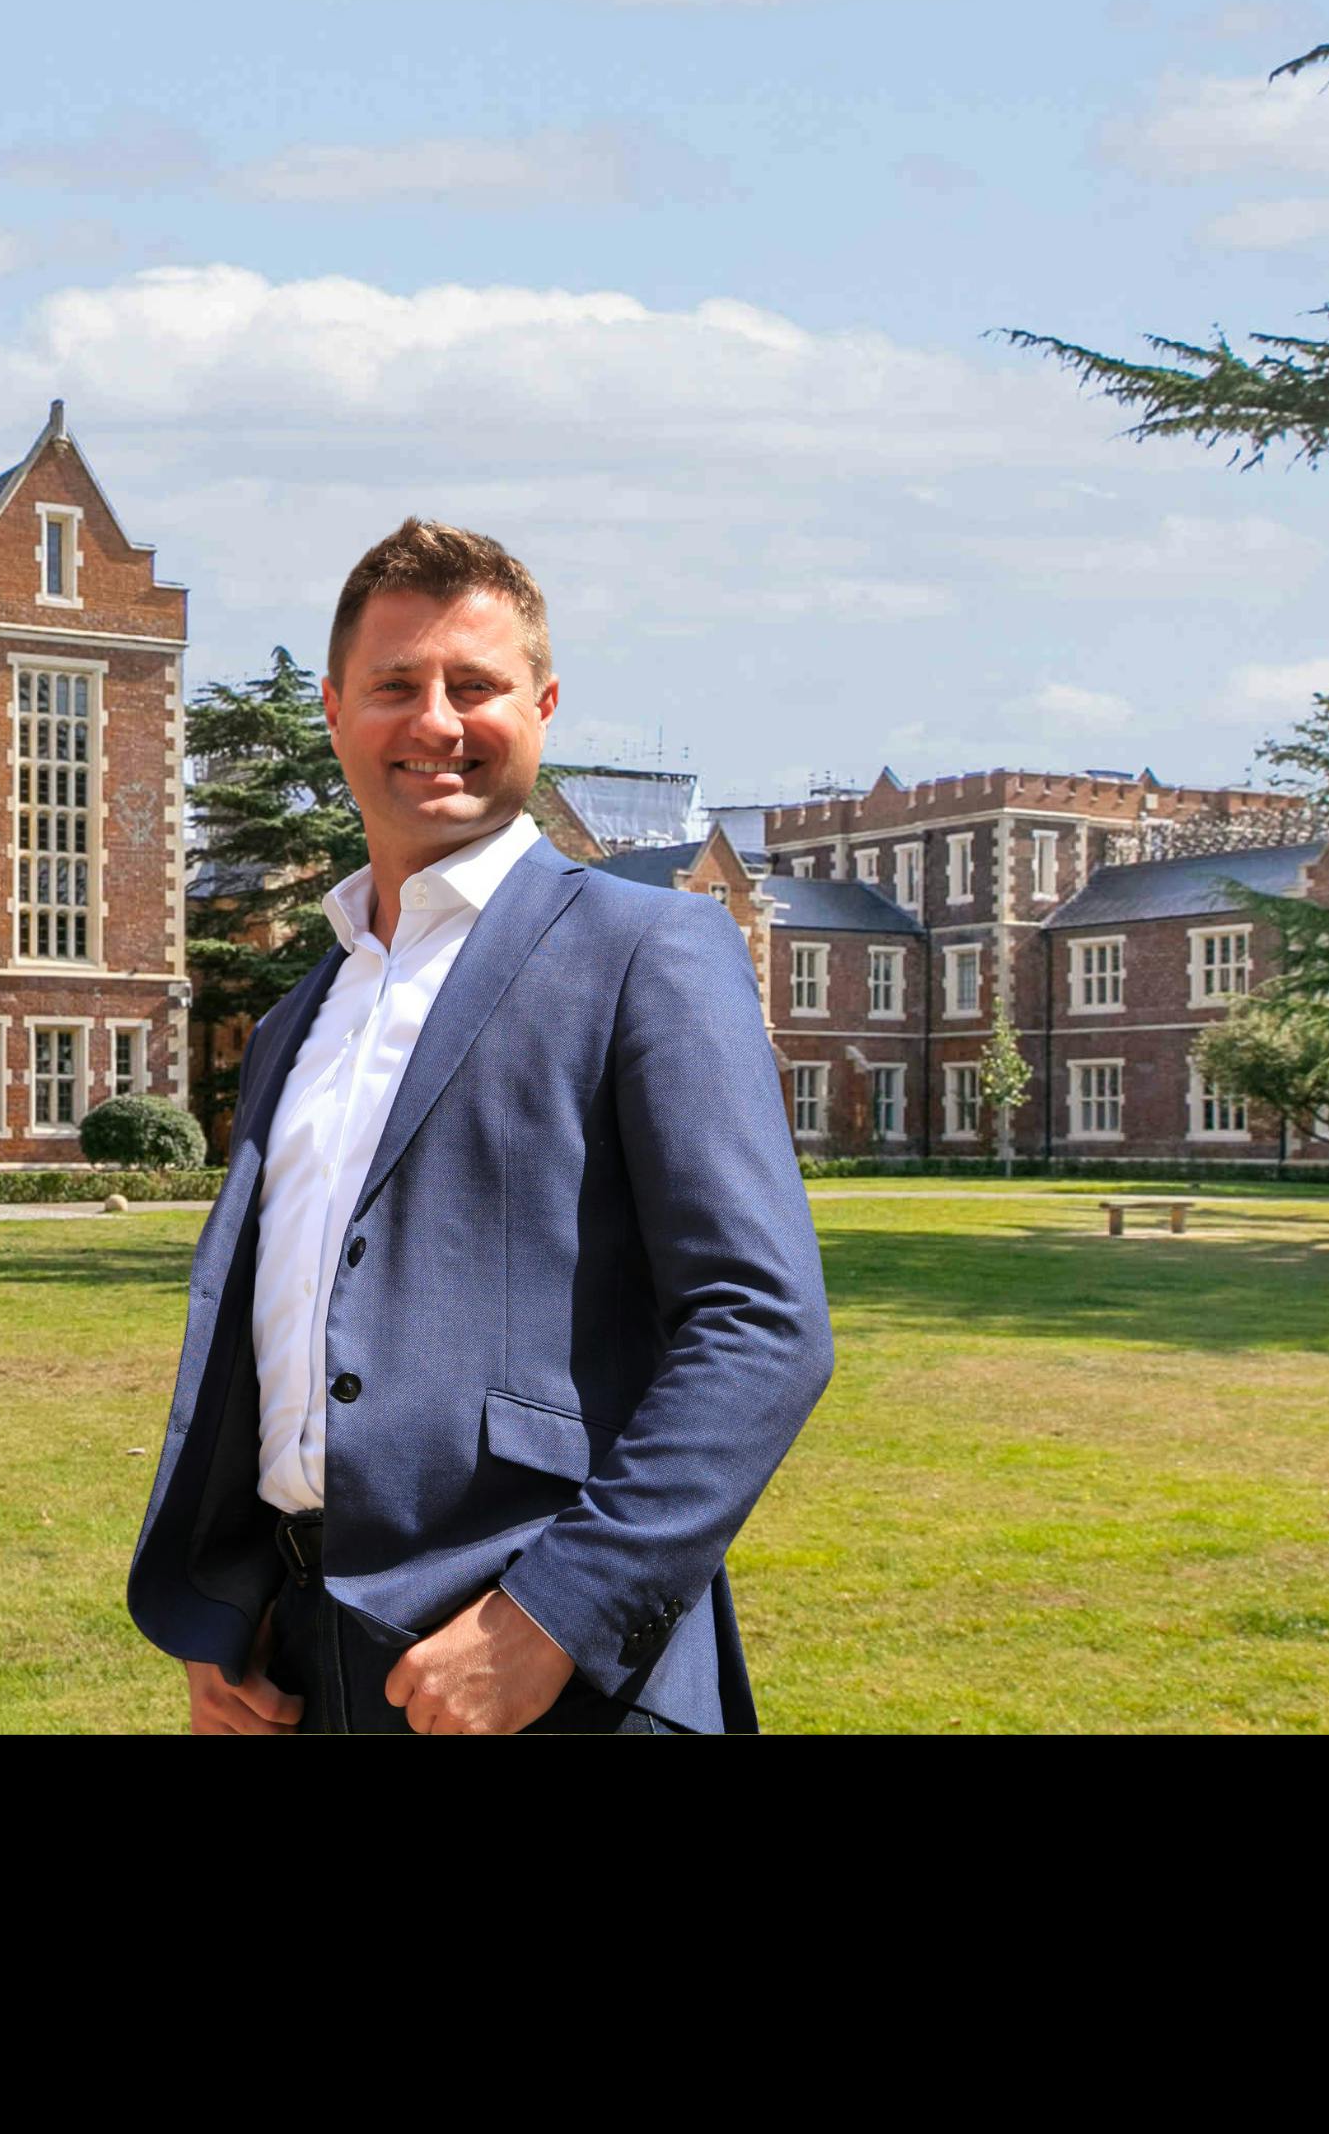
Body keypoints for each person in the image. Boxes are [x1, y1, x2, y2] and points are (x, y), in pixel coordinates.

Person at [126, 520, 831, 1733]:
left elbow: (761, 1326)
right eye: (397, 685)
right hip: (302, 1660)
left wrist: (549, 1618)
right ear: (338, 712)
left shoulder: (648, 948)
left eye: (477, 685)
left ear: (543, 705)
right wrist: (226, 1606)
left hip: (544, 1670)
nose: (437, 721)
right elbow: (276, 1334)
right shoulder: (307, 1011)